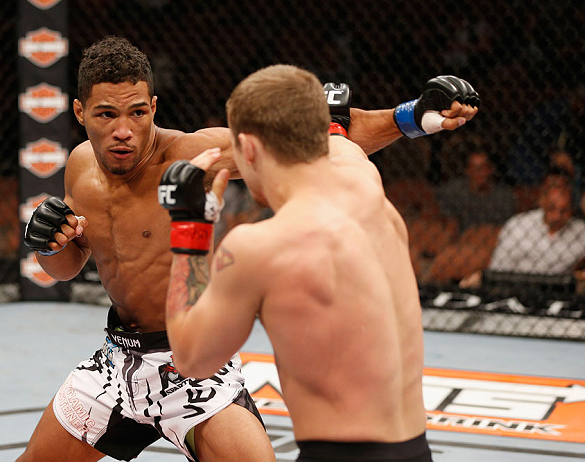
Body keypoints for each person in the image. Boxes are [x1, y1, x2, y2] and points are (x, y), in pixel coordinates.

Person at [19, 34, 478, 462]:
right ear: (80, 112)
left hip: (196, 367)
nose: (124, 130)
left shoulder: (192, 156)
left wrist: (414, 115)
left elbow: (316, 139)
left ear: (154, 107)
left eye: (137, 113)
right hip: (116, 362)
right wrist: (50, 244)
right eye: (106, 115)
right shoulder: (79, 165)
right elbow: (65, 267)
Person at [159, 65, 478, 462]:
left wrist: (190, 226)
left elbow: (192, 358)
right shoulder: (364, 179)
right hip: (414, 450)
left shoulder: (260, 247)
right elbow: (341, 132)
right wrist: (413, 115)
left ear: (250, 149)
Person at [460, 176, 585, 288]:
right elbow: (497, 269)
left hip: (557, 292)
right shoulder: (518, 225)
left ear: (572, 209)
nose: (557, 216)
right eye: (552, 208)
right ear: (542, 202)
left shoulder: (581, 231)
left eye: (563, 211)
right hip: (512, 287)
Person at [436, 146, 515, 232]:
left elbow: (506, 227)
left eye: (483, 167)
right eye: (475, 168)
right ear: (467, 170)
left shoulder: (503, 196)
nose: (480, 172)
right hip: (463, 239)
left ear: (490, 169)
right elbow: (450, 223)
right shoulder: (454, 190)